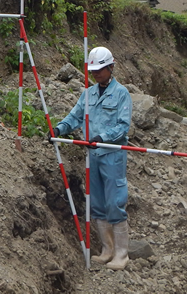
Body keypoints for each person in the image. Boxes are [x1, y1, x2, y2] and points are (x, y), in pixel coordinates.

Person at [51, 46, 132, 270]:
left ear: (110, 67)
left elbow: (123, 127)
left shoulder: (121, 93)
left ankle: (122, 254)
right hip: (92, 156)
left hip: (112, 155)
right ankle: (107, 250)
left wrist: (102, 137)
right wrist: (59, 129)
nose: (96, 74)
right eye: (93, 70)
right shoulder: (88, 93)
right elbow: (75, 116)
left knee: (114, 202)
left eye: (100, 70)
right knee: (96, 203)